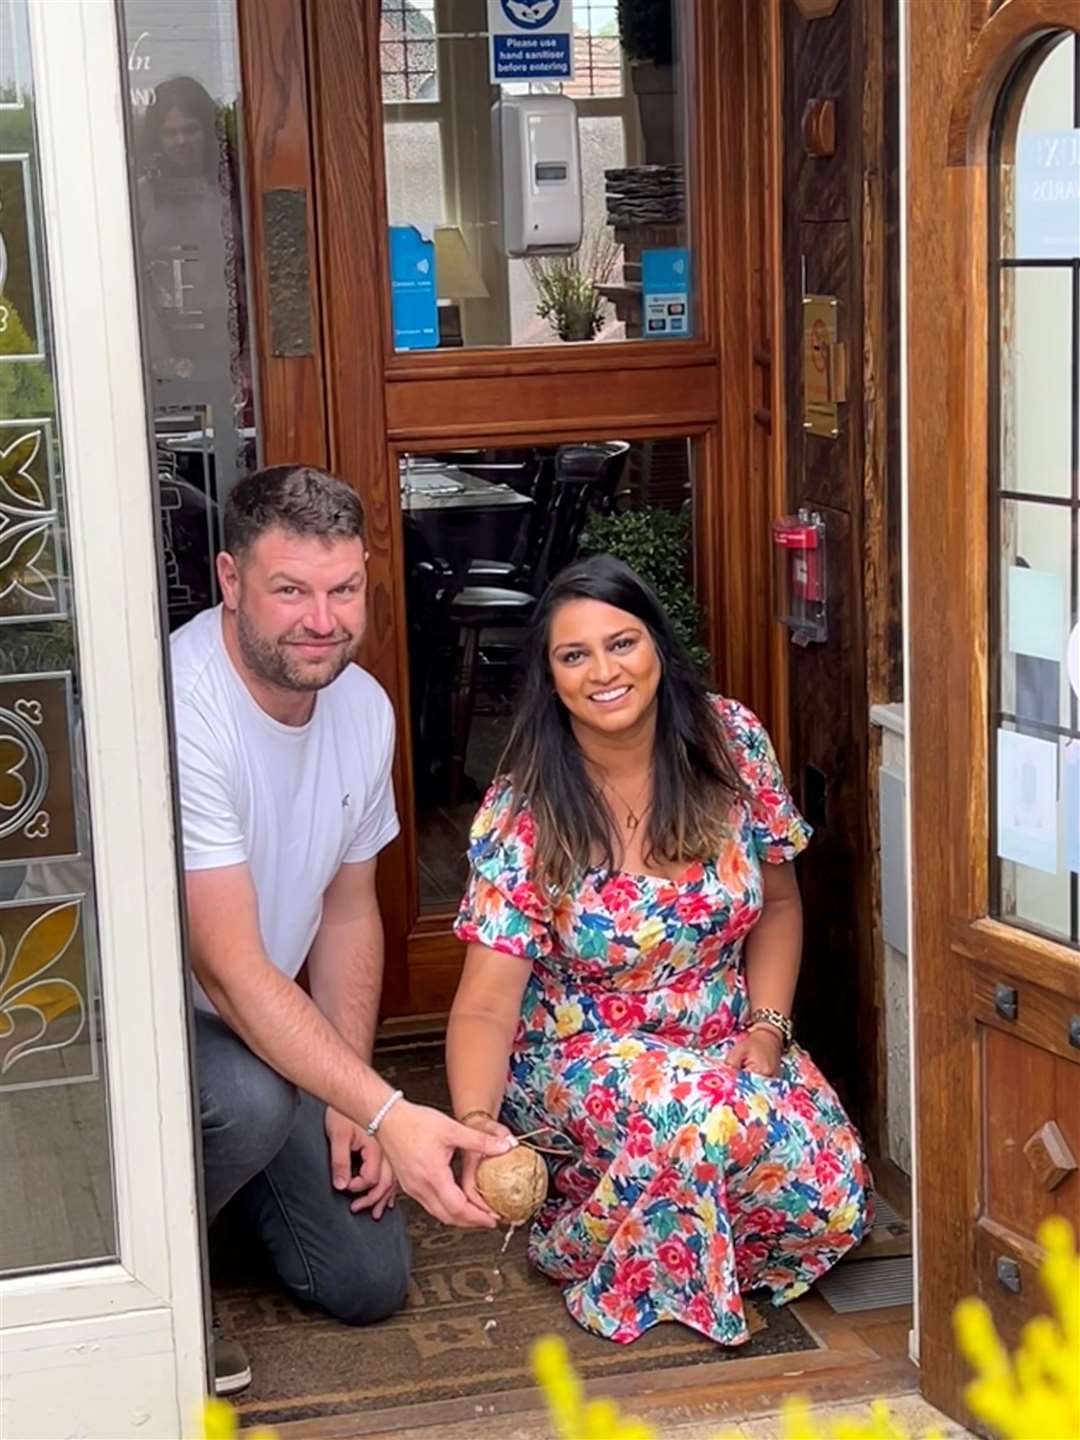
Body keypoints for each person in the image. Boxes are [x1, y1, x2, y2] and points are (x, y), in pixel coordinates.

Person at [446, 554, 871, 1345]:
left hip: (725, 1036)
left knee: (831, 1199)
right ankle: (623, 1241)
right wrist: (477, 1127)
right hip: (581, 1054)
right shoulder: (527, 806)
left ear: (659, 649)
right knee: (699, 1122)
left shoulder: (730, 743)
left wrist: (768, 1027)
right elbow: (483, 1001)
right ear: (550, 678)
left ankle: (650, 1217)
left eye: (622, 643)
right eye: (574, 656)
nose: (604, 671)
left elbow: (778, 905)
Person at [172, 464, 511, 1394]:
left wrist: (345, 1098)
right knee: (244, 1100)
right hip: (163, 1035)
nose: (322, 620)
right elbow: (232, 971)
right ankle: (162, 1292)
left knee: (367, 1283)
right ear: (231, 581)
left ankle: (230, 1186)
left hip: (265, 1028)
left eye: (343, 589)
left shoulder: (362, 708)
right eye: (289, 591)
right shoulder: (184, 707)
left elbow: (350, 909)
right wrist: (388, 1110)